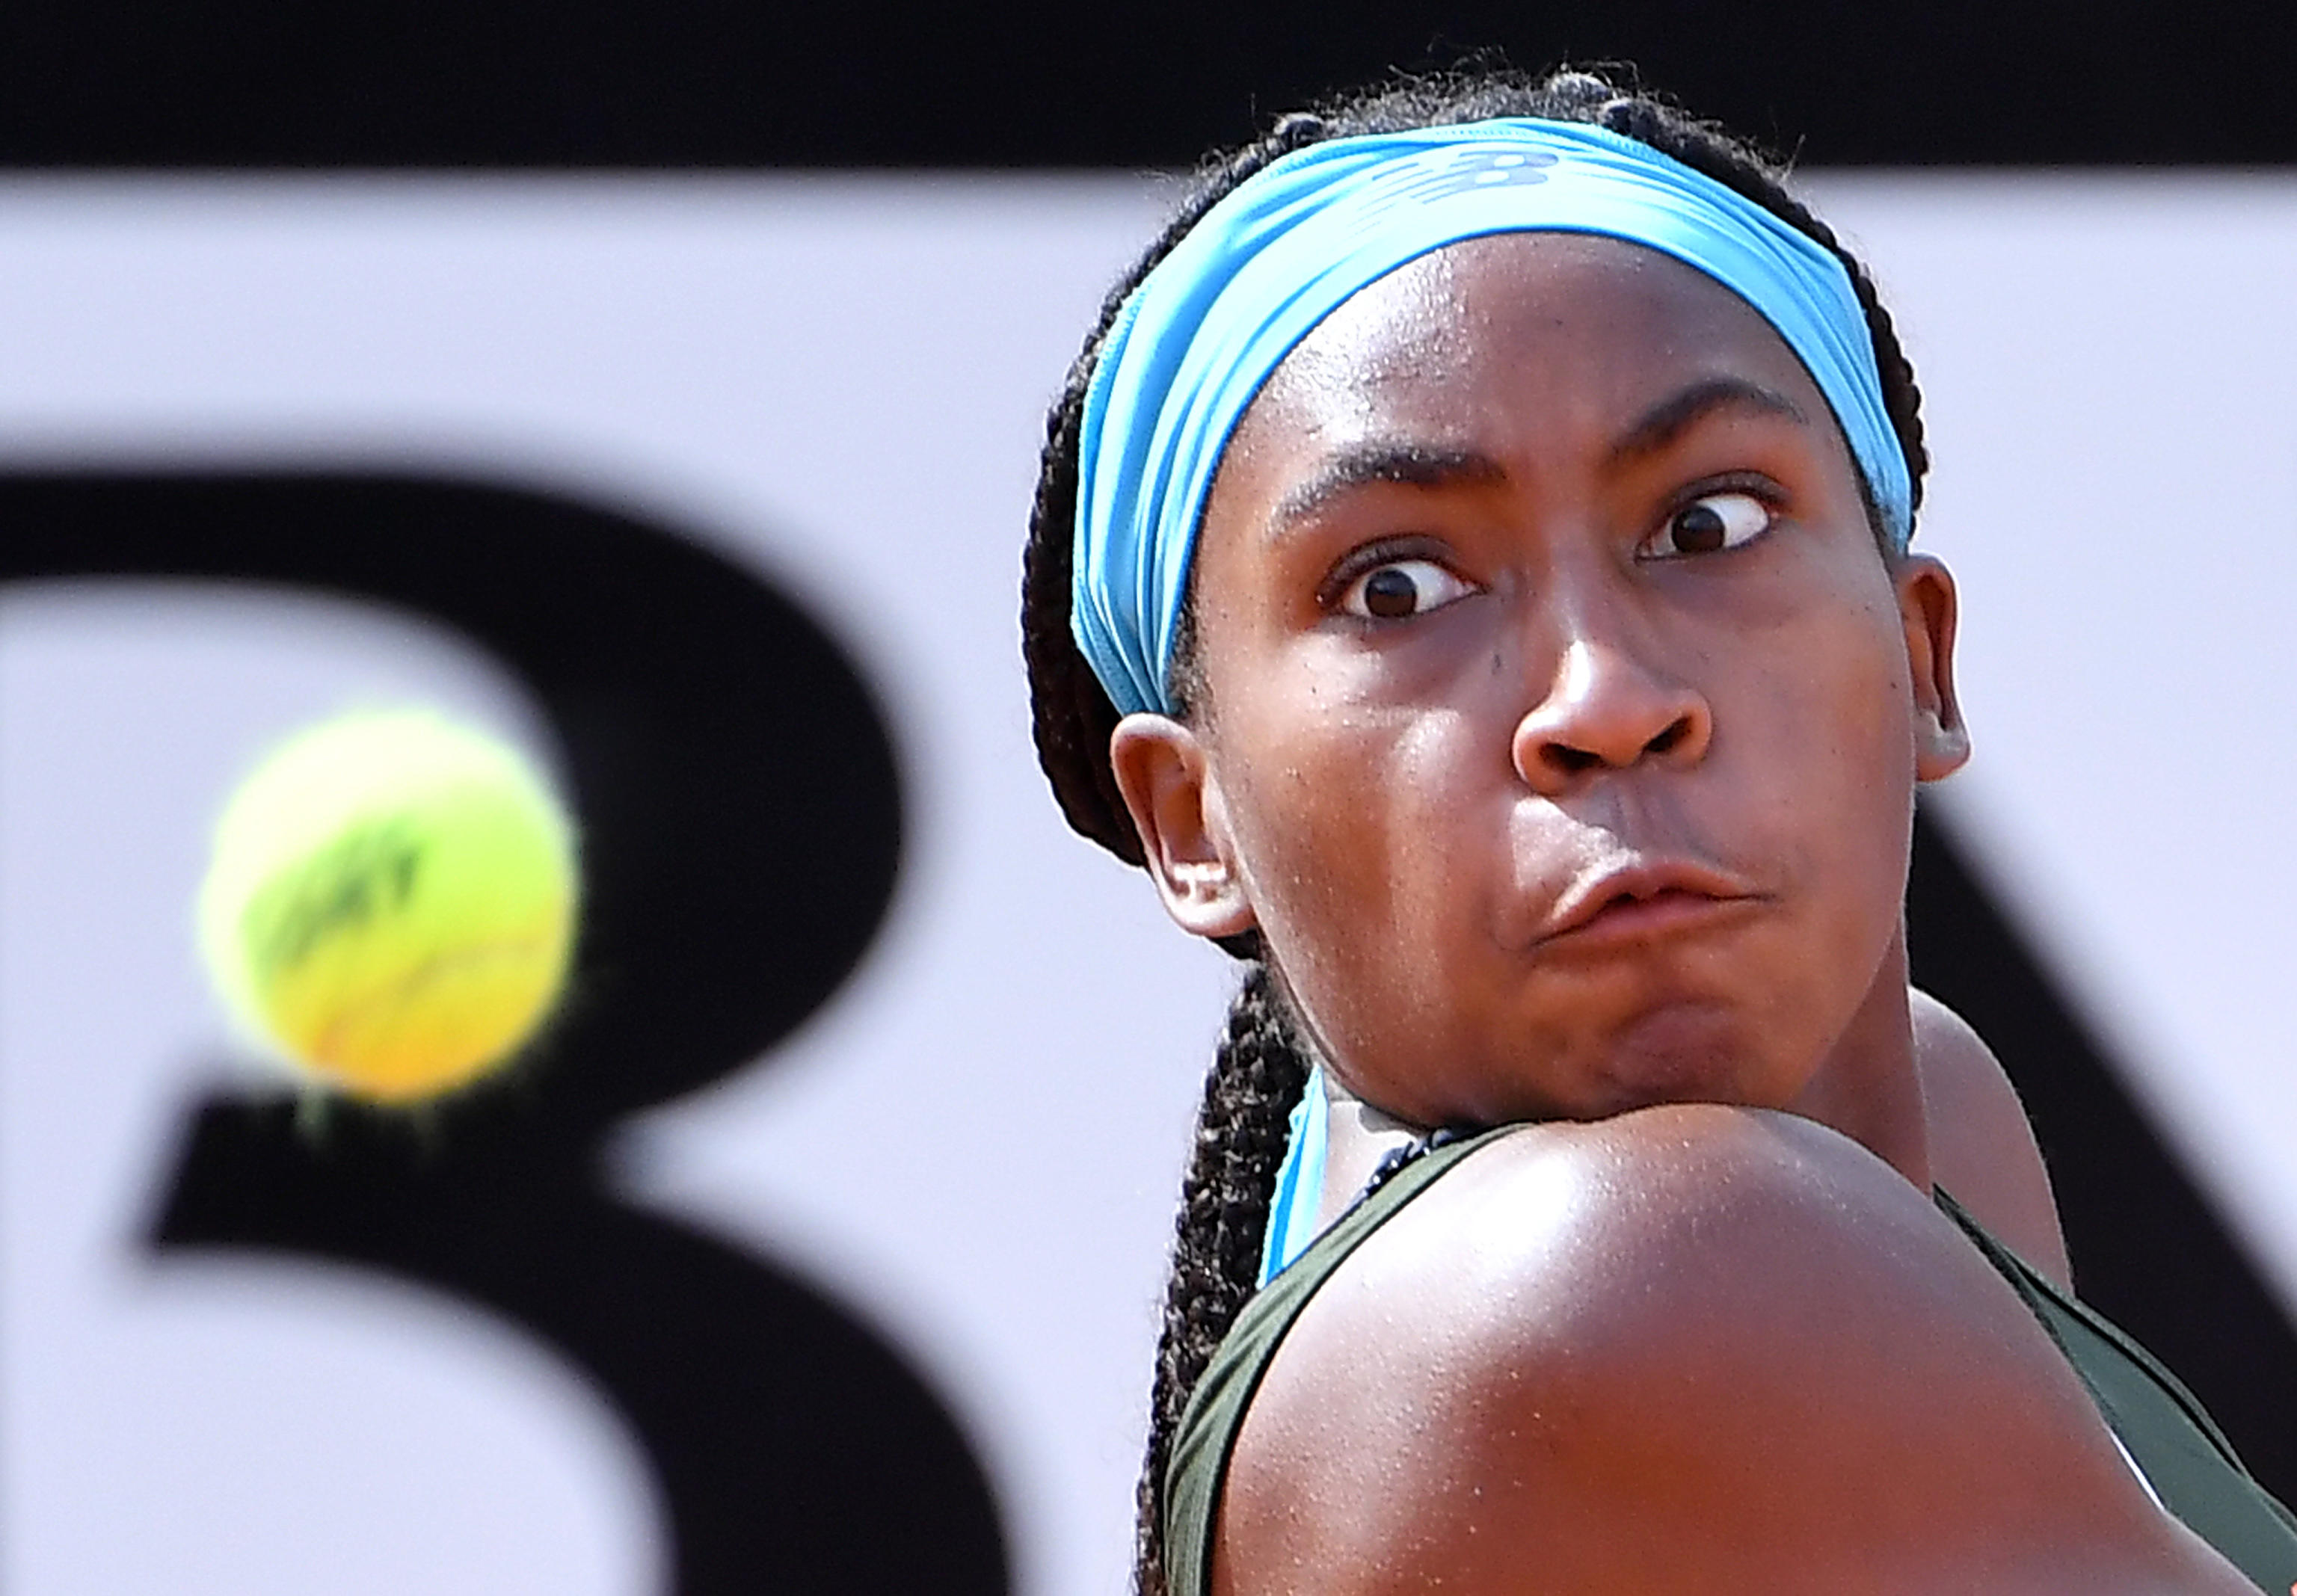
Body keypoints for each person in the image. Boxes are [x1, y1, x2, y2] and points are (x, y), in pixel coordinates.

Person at [1021, 67, 2297, 1595]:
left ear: (1922, 663)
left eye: (1709, 527)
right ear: (1193, 817)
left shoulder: (1928, 1130)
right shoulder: (1632, 1266)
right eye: (1396, 590)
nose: (1605, 698)